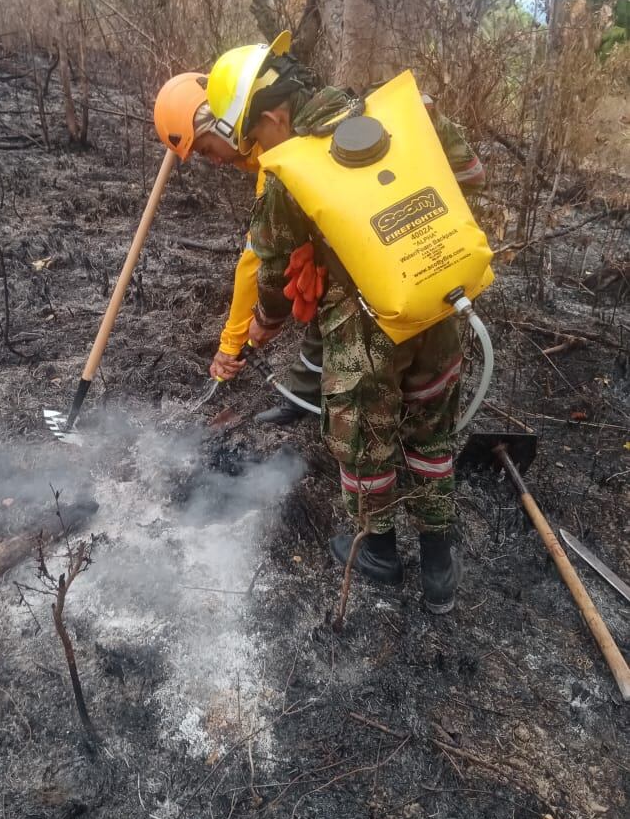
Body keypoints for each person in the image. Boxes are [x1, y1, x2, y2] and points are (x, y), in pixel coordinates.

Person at [205, 35, 486, 614]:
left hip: (366, 336)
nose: (258, 153)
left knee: (364, 439)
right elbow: (470, 173)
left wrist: (263, 322)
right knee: (432, 432)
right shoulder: (407, 113)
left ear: (276, 115)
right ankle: (439, 569)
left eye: (255, 137)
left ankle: (379, 552)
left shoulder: (291, 170)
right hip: (442, 302)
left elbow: (274, 270)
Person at [153, 68, 321, 423]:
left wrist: (233, 343)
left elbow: (256, 261)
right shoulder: (276, 134)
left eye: (206, 147)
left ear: (226, 124)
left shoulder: (276, 163)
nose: (213, 159)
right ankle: (303, 400)